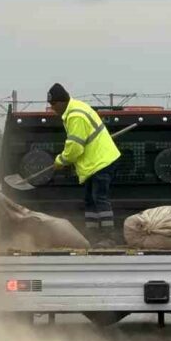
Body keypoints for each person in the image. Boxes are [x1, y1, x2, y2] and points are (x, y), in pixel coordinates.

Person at [47, 83, 122, 244]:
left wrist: (60, 160)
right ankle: (92, 235)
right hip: (93, 164)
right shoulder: (75, 109)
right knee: (90, 199)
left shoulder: (76, 115)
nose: (52, 108)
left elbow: (75, 148)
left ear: (61, 102)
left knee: (99, 198)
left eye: (53, 105)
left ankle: (109, 237)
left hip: (102, 162)